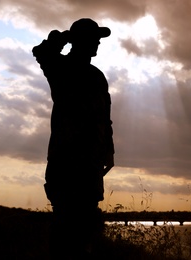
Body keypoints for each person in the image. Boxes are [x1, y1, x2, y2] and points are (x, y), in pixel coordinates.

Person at [32, 18, 114, 259]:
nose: (98, 42)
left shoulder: (97, 76)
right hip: (65, 160)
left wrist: (109, 150)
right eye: (94, 38)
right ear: (81, 41)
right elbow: (41, 51)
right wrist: (66, 37)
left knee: (87, 224)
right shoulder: (59, 67)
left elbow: (105, 118)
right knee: (64, 225)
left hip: (91, 162)